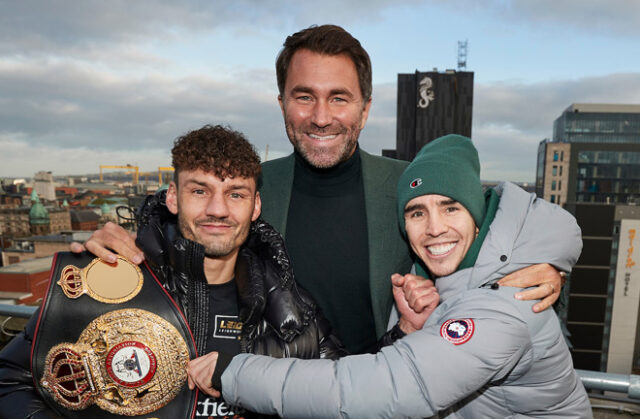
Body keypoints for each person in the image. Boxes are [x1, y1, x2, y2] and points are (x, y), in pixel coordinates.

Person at [72, 24, 563, 355]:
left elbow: (490, 235)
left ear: (365, 109)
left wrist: (543, 263)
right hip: (265, 400)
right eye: (304, 97)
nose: (321, 117)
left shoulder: (409, 189)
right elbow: (184, 223)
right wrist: (116, 245)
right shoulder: (249, 188)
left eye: (339, 98)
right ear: (283, 103)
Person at [215, 134, 592, 418]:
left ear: (477, 217)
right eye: (416, 213)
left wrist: (234, 373)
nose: (434, 228)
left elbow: (388, 387)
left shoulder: (507, 303)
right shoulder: (446, 278)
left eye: (450, 208)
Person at [0, 125, 345, 419]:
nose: (218, 210)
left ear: (254, 206)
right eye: (200, 191)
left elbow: (341, 394)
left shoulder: (292, 311)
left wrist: (401, 335)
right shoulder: (106, 279)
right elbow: (10, 378)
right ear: (174, 198)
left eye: (235, 194)